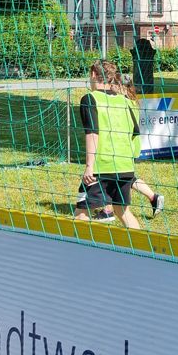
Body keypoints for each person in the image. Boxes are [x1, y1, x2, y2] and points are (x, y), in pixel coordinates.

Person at [74, 60, 142, 229]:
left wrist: (89, 166)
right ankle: (143, 250)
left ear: (93, 75)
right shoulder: (125, 100)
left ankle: (84, 253)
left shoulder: (90, 98)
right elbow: (134, 132)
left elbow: (92, 133)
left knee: (81, 214)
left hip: (101, 168)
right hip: (125, 166)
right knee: (122, 211)